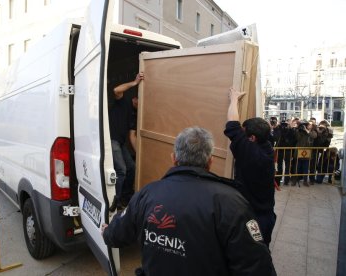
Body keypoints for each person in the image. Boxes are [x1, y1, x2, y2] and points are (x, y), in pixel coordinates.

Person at [102, 126, 276, 276]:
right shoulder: (232, 202)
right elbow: (257, 267)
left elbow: (116, 235)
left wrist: (107, 231)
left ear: (174, 159)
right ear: (210, 161)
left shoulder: (147, 193)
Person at [224, 88, 276, 248]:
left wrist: (234, 99)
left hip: (254, 219)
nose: (241, 133)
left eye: (244, 133)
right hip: (265, 214)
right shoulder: (266, 146)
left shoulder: (252, 154)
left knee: (252, 254)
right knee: (261, 250)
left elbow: (232, 126)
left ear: (252, 138)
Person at [108, 72, 143, 212]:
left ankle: (125, 197)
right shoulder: (124, 100)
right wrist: (134, 83)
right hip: (112, 139)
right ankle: (114, 200)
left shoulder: (135, 115)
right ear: (136, 98)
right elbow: (116, 90)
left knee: (132, 167)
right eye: (141, 102)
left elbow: (132, 136)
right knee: (121, 170)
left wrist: (139, 153)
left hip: (121, 143)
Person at [292, 120, 316, 186]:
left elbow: (314, 136)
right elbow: (297, 138)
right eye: (308, 125)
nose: (309, 126)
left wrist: (307, 131)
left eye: (309, 125)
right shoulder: (300, 131)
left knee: (306, 168)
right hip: (299, 152)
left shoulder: (312, 132)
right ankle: (294, 180)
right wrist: (299, 129)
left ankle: (305, 181)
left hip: (307, 153)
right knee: (297, 167)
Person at [273, 120, 297, 185]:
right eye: (283, 124)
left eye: (285, 124)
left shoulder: (290, 131)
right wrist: (277, 129)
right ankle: (279, 180)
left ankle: (285, 180)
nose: (284, 126)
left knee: (286, 165)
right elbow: (275, 138)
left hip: (287, 150)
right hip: (281, 150)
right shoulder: (279, 130)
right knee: (281, 165)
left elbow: (294, 140)